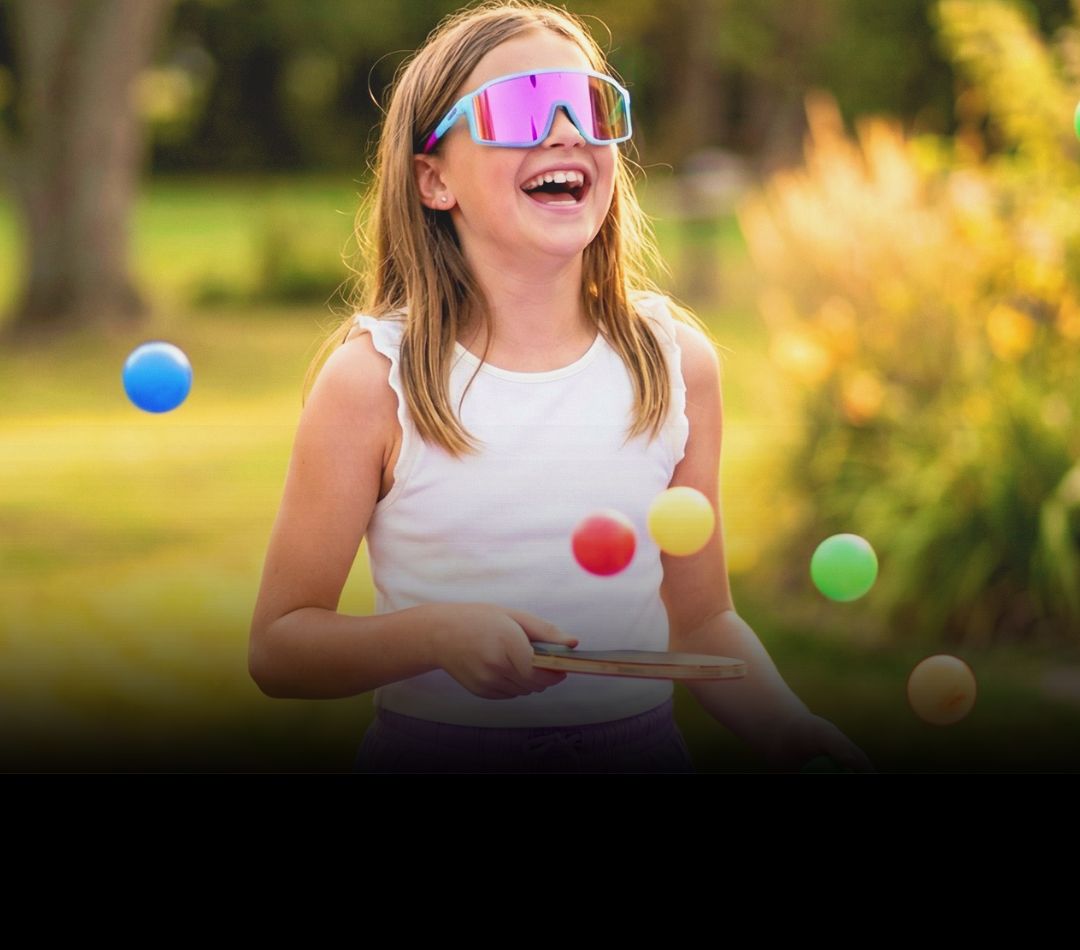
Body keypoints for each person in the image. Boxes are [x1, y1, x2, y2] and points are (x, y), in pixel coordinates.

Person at [248, 0, 874, 775]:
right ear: (434, 178)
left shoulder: (674, 365)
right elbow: (280, 645)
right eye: (521, 107)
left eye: (592, 106)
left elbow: (704, 619)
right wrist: (438, 636)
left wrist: (790, 731)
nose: (567, 131)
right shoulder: (375, 381)